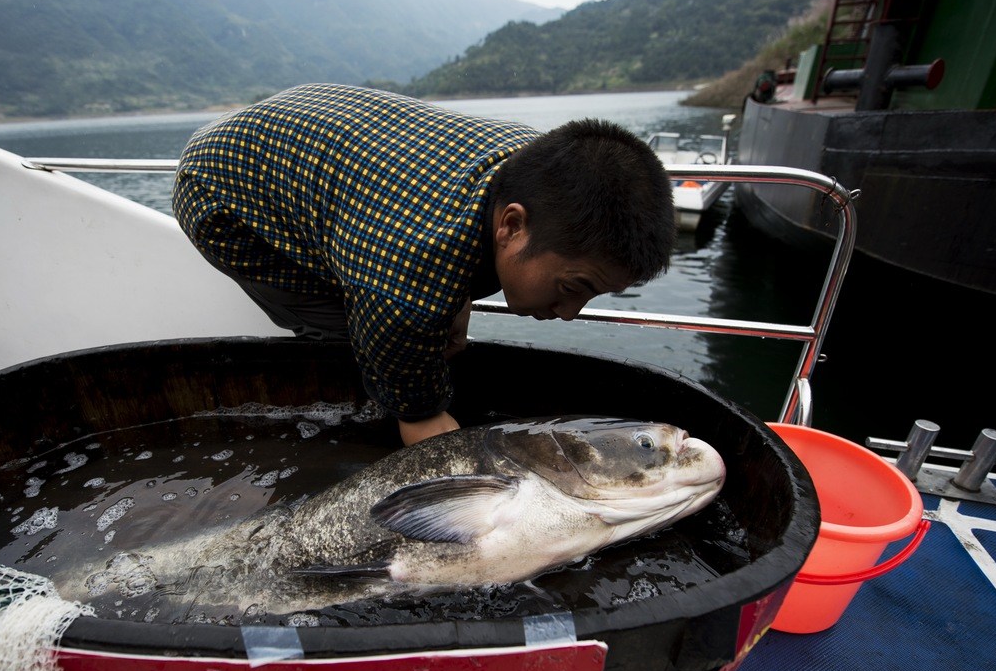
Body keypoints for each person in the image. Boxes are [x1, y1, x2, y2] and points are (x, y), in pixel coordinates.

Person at [173, 83, 675, 446]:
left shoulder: (537, 170)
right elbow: (406, 326)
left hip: (315, 140)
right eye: (574, 287)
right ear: (512, 226)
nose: (570, 313)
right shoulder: (405, 278)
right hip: (223, 191)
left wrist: (453, 305)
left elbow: (448, 261)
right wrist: (421, 417)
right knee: (355, 335)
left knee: (417, 321)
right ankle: (345, 421)